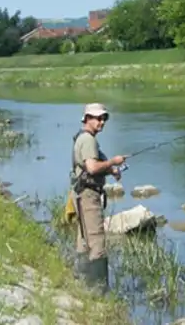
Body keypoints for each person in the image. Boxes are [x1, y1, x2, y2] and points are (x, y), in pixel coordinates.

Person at [70, 103, 126, 292]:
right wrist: (113, 162)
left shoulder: (84, 137)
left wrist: (112, 170)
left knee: (84, 240)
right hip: (88, 195)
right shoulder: (88, 140)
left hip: (81, 193)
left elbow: (91, 166)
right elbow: (93, 168)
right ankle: (99, 291)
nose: (102, 122)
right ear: (87, 119)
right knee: (97, 243)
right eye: (98, 118)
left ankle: (80, 283)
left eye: (104, 118)